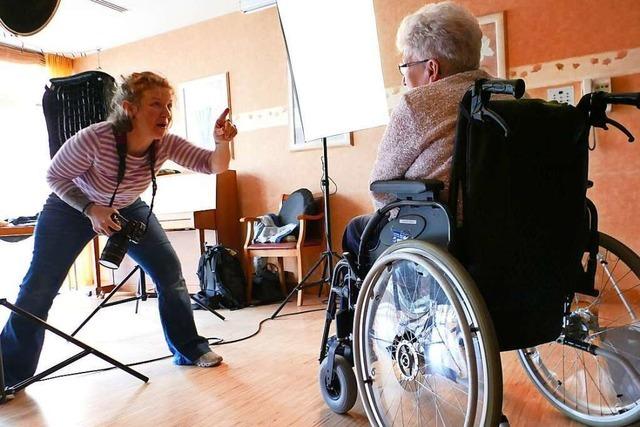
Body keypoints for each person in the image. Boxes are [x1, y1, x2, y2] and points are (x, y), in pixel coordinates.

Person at [0, 71, 237, 387]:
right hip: (70, 208)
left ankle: (189, 348)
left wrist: (221, 143)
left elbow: (214, 165)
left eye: (168, 105)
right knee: (37, 289)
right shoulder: (94, 138)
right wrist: (90, 209)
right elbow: (55, 177)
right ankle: (8, 375)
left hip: (127, 205)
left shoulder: (164, 144)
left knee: (169, 273)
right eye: (155, 104)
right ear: (129, 108)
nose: (165, 113)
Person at [342, 1, 491, 256]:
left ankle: (380, 295)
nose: (403, 78)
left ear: (432, 69)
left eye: (406, 66)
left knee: (356, 230)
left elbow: (380, 187)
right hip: (504, 226)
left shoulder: (418, 103)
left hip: (443, 232)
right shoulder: (511, 97)